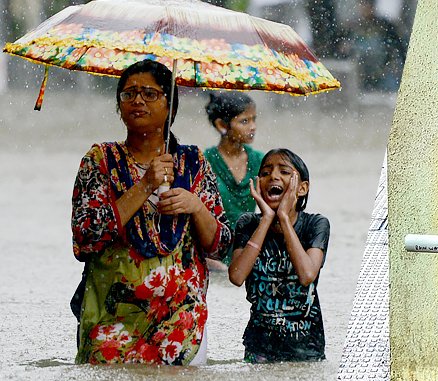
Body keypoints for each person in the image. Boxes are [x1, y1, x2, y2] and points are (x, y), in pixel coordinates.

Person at [71, 59, 231, 365]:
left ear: (170, 105)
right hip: (112, 316)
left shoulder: (193, 162)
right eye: (128, 94)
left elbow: (221, 244)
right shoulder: (100, 160)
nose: (138, 101)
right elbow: (85, 238)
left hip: (181, 319)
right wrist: (145, 185)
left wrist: (195, 206)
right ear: (118, 107)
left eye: (149, 93)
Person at [228, 148, 330, 363]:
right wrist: (266, 219)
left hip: (306, 348)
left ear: (302, 188)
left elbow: (307, 274)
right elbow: (237, 276)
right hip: (259, 347)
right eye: (265, 173)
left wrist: (283, 217)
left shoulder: (315, 224)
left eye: (284, 172)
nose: (273, 176)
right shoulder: (248, 223)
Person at [204, 91, 264, 267]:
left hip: (248, 251)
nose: (253, 127)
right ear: (222, 125)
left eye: (254, 119)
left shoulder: (261, 162)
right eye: (245, 121)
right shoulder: (204, 162)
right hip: (212, 257)